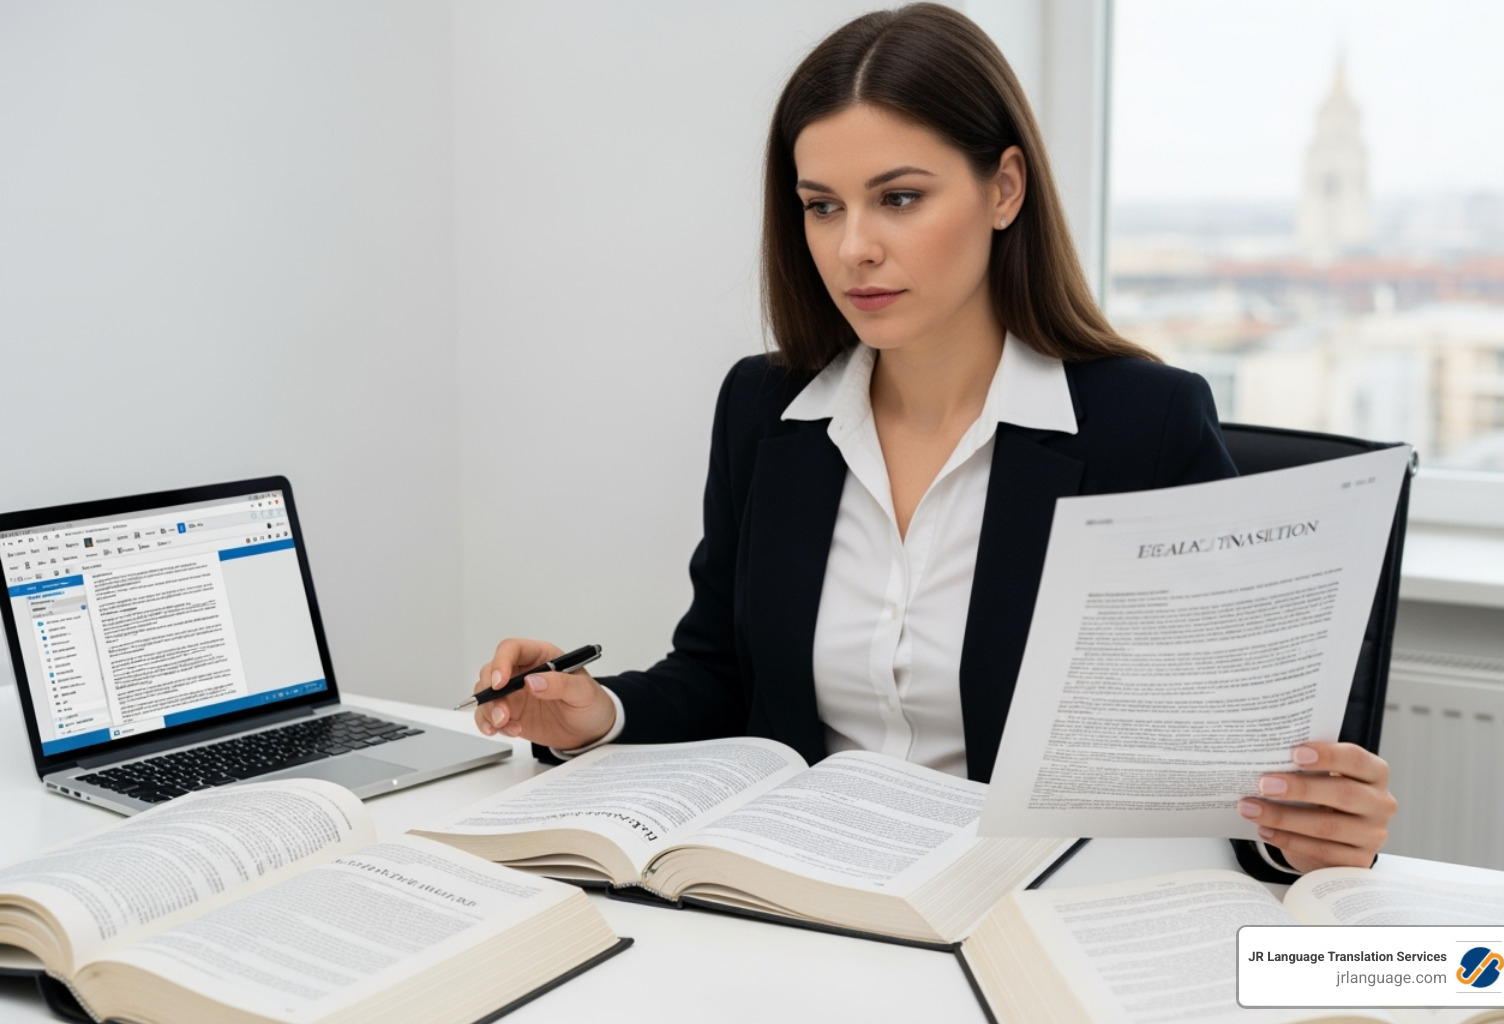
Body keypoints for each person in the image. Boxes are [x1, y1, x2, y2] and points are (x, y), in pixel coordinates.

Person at [471, 3, 1395, 878]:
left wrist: (1300, 835)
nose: (852, 248)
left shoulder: (1142, 427)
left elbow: (1219, 760)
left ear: (1003, 189)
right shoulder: (765, 411)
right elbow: (721, 675)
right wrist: (594, 712)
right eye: (822, 206)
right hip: (794, 894)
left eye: (899, 199)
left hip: (1018, 906)